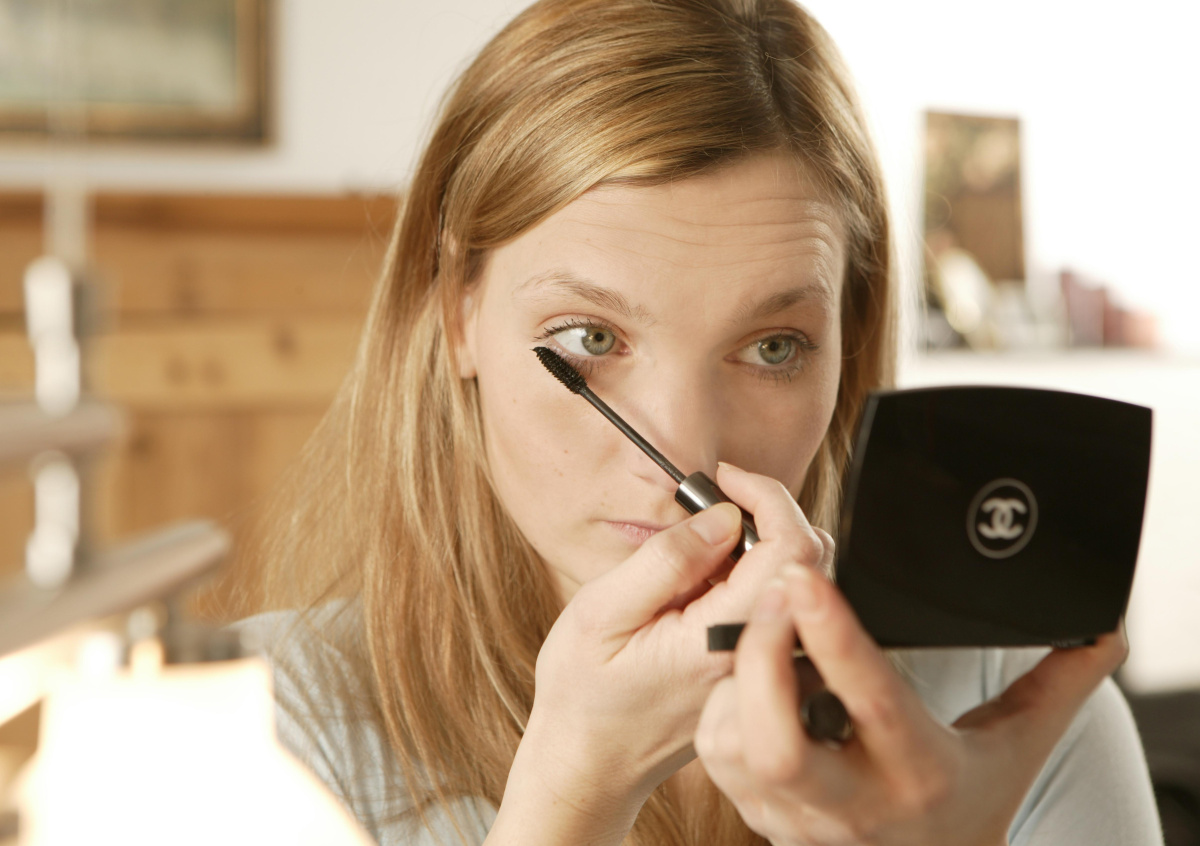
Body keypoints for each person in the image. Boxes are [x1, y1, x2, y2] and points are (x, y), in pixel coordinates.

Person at [234, 0, 1163, 843]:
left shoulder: (1004, 720)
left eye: (773, 347)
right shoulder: (245, 730)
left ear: (848, 346)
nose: (687, 453)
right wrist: (571, 795)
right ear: (457, 313)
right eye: (590, 337)